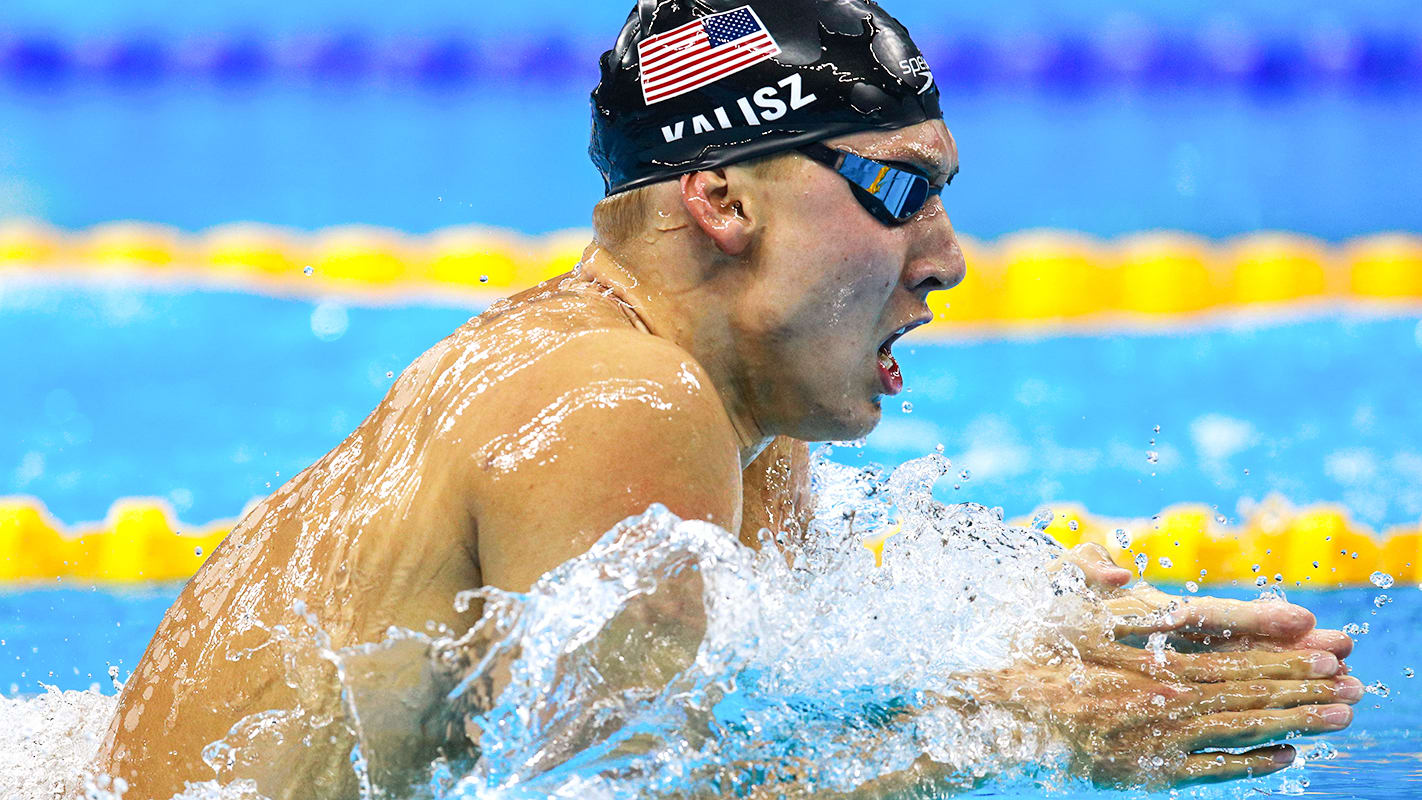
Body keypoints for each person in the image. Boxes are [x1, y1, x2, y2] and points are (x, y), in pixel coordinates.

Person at [93, 1, 1359, 797]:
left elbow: (768, 704)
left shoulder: (741, 413)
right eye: (899, 189)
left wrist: (1049, 641)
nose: (951, 254)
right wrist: (1030, 735)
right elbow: (616, 791)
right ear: (723, 200)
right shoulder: (621, 401)